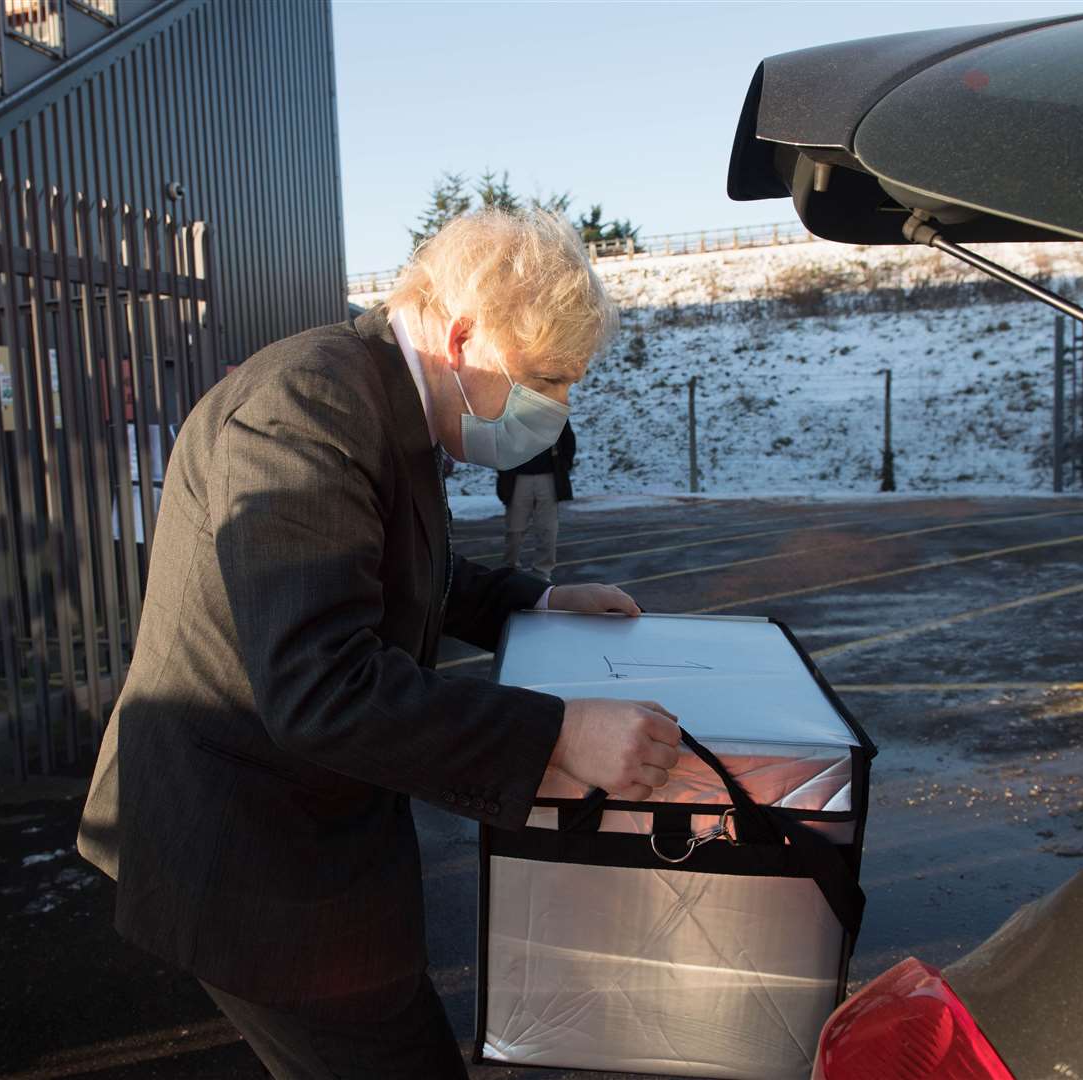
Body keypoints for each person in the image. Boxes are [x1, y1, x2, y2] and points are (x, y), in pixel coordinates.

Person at [76, 209, 681, 1079]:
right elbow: (322, 685)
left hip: (306, 835)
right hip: (248, 857)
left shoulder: (388, 397)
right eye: (548, 377)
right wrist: (555, 735)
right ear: (465, 335)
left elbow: (401, 567)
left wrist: (537, 599)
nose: (558, 406)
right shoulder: (307, 403)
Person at [497, 418, 575, 582]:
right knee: (515, 529)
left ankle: (542, 572)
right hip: (518, 477)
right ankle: (510, 569)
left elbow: (568, 441)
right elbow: (500, 441)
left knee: (547, 529)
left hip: (548, 477)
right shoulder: (511, 409)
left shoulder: (554, 409)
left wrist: (563, 466)